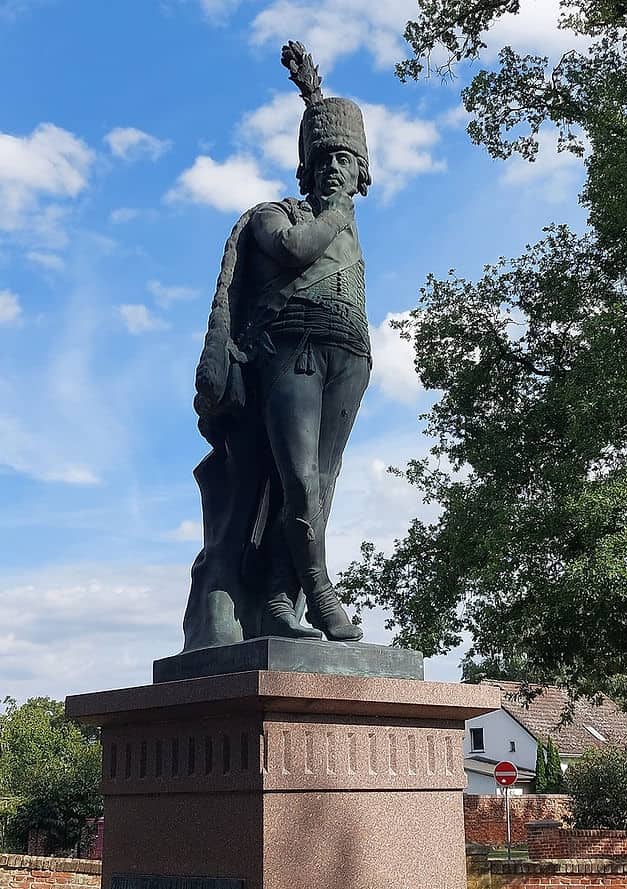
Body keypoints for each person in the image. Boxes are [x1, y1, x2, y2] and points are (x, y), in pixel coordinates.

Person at [181, 42, 371, 651]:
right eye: (325, 161)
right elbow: (296, 250)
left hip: (350, 355)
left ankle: (281, 599)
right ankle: (321, 595)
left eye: (346, 160)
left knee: (325, 480)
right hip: (292, 352)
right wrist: (336, 208)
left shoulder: (346, 222)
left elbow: (330, 127)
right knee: (298, 481)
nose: (335, 169)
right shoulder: (274, 215)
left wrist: (317, 99)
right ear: (307, 170)